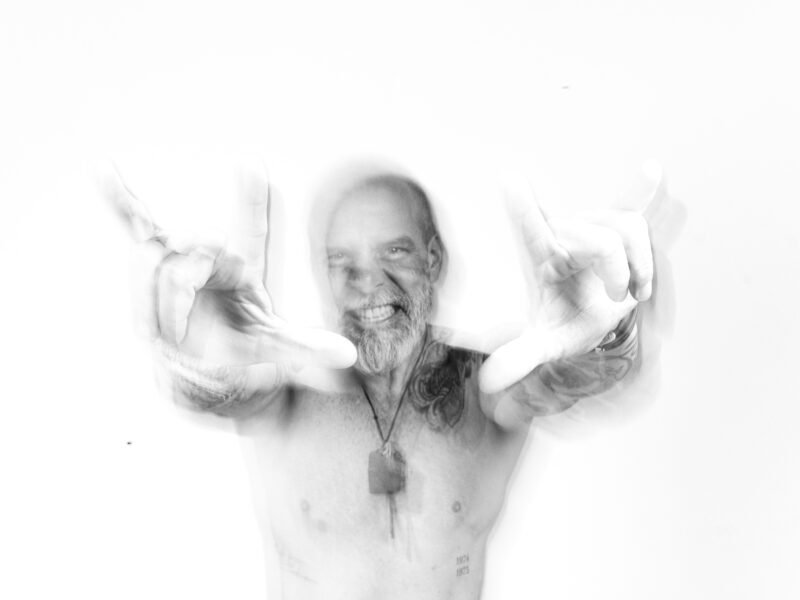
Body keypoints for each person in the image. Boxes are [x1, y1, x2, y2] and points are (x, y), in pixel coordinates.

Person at [110, 160, 654, 599]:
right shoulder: (290, 390)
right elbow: (216, 387)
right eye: (341, 260)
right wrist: (197, 342)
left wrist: (607, 331)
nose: (366, 281)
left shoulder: (485, 387)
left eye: (393, 251)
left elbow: (567, 376)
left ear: (433, 260)